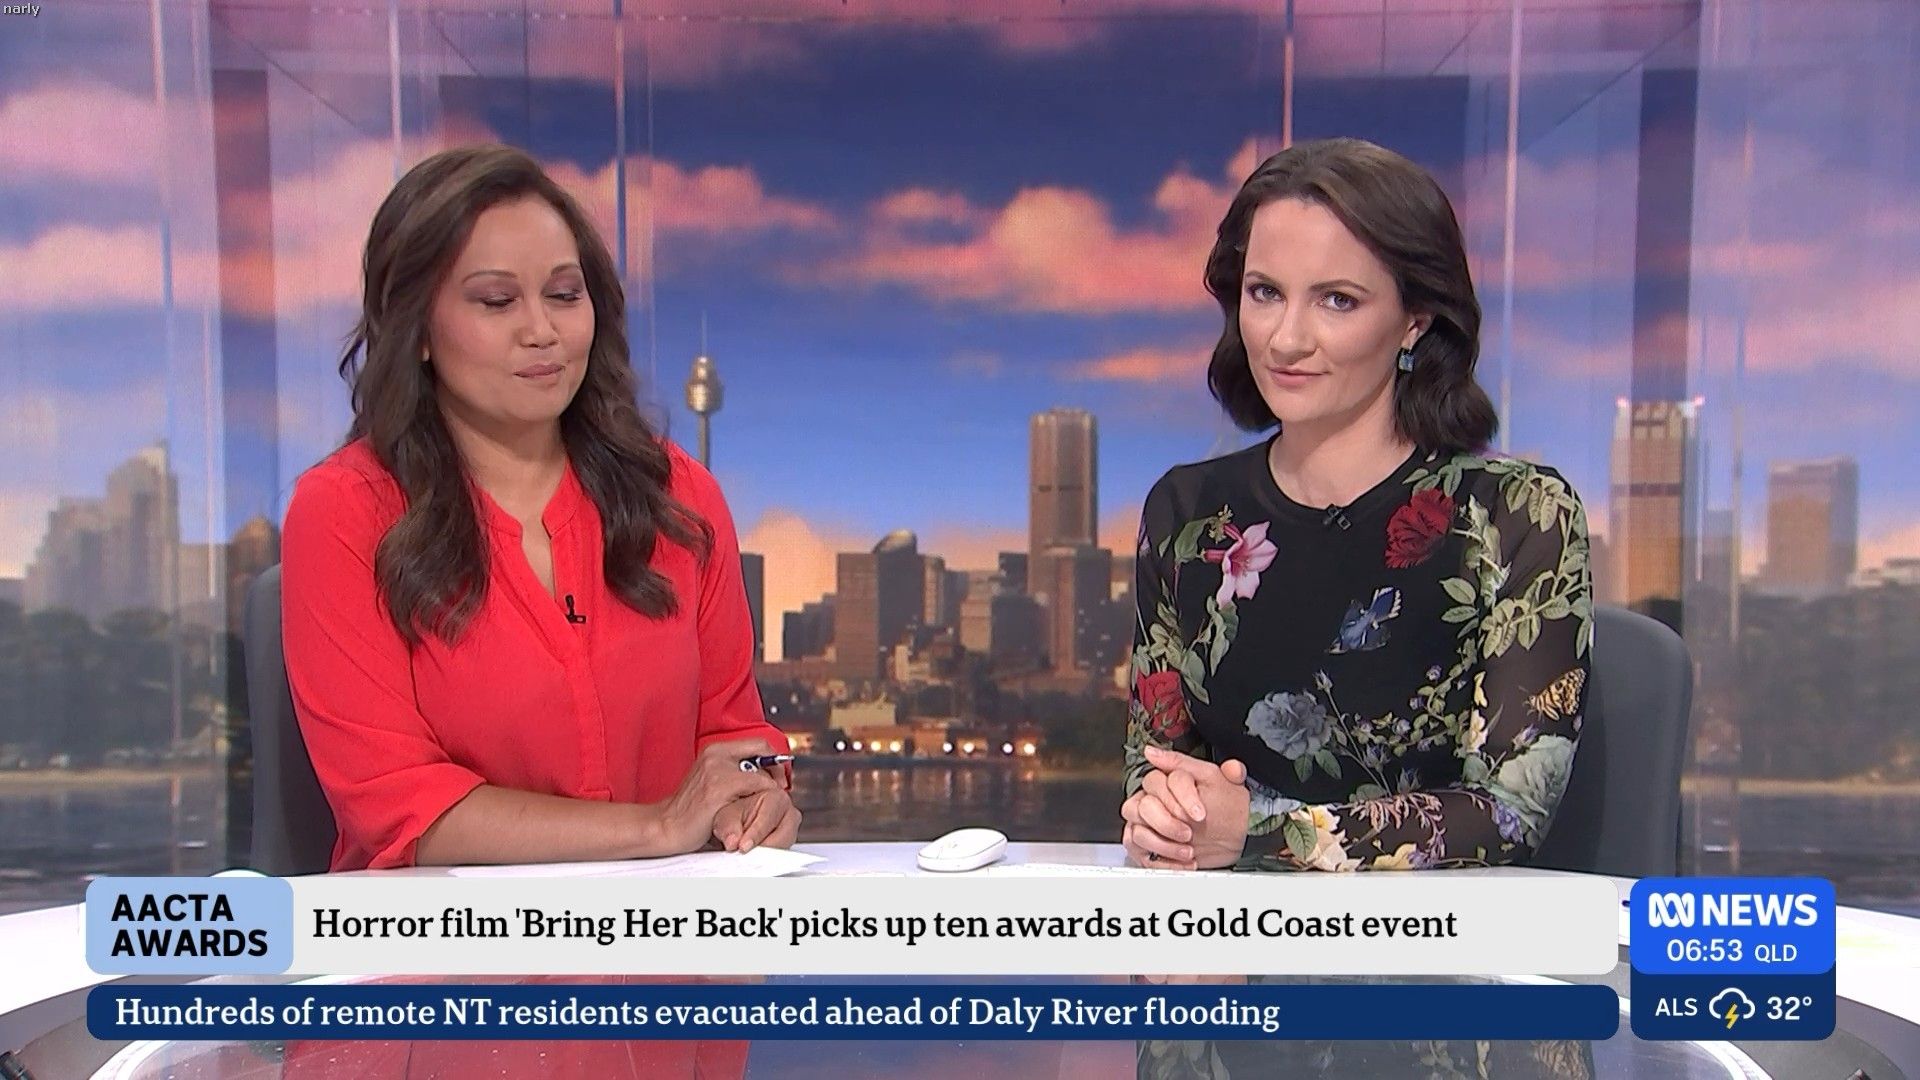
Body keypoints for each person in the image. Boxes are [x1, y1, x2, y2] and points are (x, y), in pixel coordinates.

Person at [280, 144, 798, 872]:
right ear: (417, 328)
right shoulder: (343, 512)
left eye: (563, 295)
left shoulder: (680, 496)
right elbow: (397, 805)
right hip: (445, 935)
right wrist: (657, 827)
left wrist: (751, 796)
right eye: (497, 302)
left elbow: (735, 739)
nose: (542, 331)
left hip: (664, 930)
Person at [1120, 137, 1592, 873]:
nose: (1286, 339)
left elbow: (1509, 812)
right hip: (1228, 934)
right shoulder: (1186, 516)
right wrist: (1163, 817)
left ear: (1415, 320)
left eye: (1336, 300)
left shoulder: (1518, 514)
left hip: (1438, 937)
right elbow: (1156, 770)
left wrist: (1262, 835)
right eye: (1264, 292)